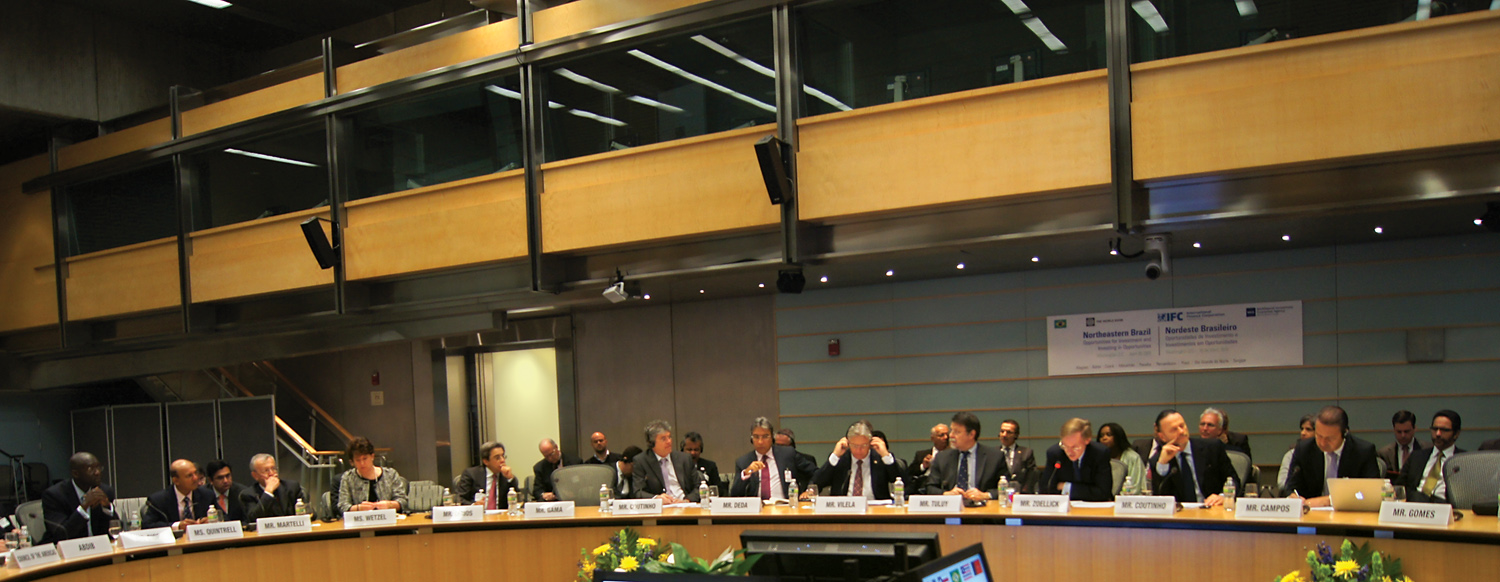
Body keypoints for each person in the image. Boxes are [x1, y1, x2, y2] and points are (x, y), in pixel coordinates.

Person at [1284, 406, 1379, 507]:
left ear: (1345, 433)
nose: (1322, 443)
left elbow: (1372, 492)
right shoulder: (1304, 449)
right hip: (1312, 512)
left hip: (1349, 512)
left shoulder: (1363, 451)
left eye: (1330, 439)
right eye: (1319, 436)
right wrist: (1293, 496)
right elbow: (1290, 487)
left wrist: (1329, 500)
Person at [1150, 409, 1239, 507]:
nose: (1181, 431)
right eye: (1174, 429)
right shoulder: (1158, 461)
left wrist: (1223, 496)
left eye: (1182, 426)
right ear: (1162, 436)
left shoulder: (1212, 448)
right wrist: (1163, 464)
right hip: (1180, 513)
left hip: (1211, 509)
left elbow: (1234, 480)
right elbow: (1159, 499)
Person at [813, 421, 907, 500]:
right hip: (844, 508)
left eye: (863, 445)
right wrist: (835, 456)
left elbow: (904, 483)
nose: (858, 450)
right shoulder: (840, 459)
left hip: (875, 509)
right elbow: (817, 483)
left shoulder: (880, 458)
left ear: (870, 443)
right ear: (848, 443)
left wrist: (886, 456)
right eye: (854, 445)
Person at [922, 412, 1004, 501]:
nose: (951, 435)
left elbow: (1007, 487)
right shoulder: (942, 457)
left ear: (971, 434)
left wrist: (985, 495)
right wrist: (946, 494)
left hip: (983, 507)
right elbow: (930, 487)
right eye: (951, 430)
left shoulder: (994, 457)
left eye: (957, 432)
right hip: (952, 506)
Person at [731, 417, 818, 500]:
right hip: (757, 508)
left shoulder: (788, 454)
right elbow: (734, 494)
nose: (760, 442)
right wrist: (747, 473)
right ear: (751, 439)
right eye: (756, 437)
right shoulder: (743, 462)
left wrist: (809, 490)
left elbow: (816, 473)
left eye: (765, 436)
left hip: (786, 507)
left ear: (772, 437)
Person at [39, 452, 116, 543]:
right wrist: (84, 506)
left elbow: (117, 530)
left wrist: (107, 507)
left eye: (98, 467)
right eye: (90, 469)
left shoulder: (105, 491)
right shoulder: (54, 495)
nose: (97, 472)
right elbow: (61, 534)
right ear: (76, 473)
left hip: (99, 547)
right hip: (68, 548)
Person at [1399, 410, 1465, 505]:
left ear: (1456, 434)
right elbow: (1400, 487)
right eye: (1435, 429)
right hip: (1415, 506)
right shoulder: (1416, 456)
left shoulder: (1464, 461)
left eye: (1444, 430)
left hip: (1445, 508)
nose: (1438, 434)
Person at [1040, 418, 1113, 501]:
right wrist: (1085, 490)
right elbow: (1046, 488)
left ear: (1087, 440)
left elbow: (1103, 492)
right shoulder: (1055, 453)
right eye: (1065, 445)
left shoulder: (1100, 453)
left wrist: (1066, 487)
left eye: (1075, 447)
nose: (1069, 451)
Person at [632, 420, 700, 502]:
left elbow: (699, 487)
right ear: (652, 443)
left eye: (669, 437)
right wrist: (657, 498)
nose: (669, 441)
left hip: (684, 504)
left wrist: (687, 500)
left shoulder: (684, 459)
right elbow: (638, 492)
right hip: (661, 507)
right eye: (663, 439)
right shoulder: (641, 461)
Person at [337, 437, 408, 513]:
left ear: (372, 457)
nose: (362, 463)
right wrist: (358, 508)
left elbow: (403, 501)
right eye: (358, 460)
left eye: (365, 458)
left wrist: (389, 505)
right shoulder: (348, 478)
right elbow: (342, 506)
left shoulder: (390, 474)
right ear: (352, 462)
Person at [143, 459, 213, 530]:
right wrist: (177, 526)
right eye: (189, 475)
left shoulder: (207, 495)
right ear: (176, 481)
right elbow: (147, 525)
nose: (196, 478)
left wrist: (211, 520)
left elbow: (220, 516)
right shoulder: (159, 500)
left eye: (196, 473)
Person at [454, 441, 519, 508]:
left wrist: (510, 478)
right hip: (479, 513)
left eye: (503, 456)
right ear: (486, 461)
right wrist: (474, 506)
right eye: (497, 458)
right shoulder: (471, 474)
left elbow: (518, 498)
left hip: (501, 514)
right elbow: (459, 498)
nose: (502, 460)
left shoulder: (505, 476)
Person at [242, 453, 305, 520]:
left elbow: (307, 513)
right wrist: (268, 492)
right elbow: (254, 518)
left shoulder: (292, 487)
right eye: (266, 470)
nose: (272, 473)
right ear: (255, 475)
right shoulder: (248, 495)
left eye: (274, 469)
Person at [1098, 422, 1145, 495]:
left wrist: (1118, 498)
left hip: (1127, 499)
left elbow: (1136, 486)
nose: (1104, 438)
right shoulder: (1097, 457)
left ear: (1118, 437)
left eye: (1109, 435)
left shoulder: (1133, 457)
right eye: (1101, 436)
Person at [1377, 410, 1425, 480]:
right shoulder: (1384, 453)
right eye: (1399, 432)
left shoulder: (1426, 449)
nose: (1403, 435)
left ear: (1414, 429)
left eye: (1406, 431)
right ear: (1394, 430)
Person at [1277, 414, 1317, 494]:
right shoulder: (1291, 454)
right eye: (1302, 429)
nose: (1303, 433)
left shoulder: (1327, 454)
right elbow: (1282, 483)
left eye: (1308, 429)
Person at [996, 419, 1036, 493]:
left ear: (1016, 435)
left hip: (1020, 493)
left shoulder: (1026, 453)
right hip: (999, 493)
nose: (1004, 435)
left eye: (1009, 432)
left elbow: (1031, 477)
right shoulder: (993, 453)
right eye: (1002, 431)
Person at [909, 423, 951, 491]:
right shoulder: (921, 454)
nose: (946, 437)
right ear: (932, 438)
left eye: (947, 435)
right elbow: (910, 473)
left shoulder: (953, 454)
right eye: (942, 435)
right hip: (923, 486)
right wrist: (923, 466)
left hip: (945, 487)